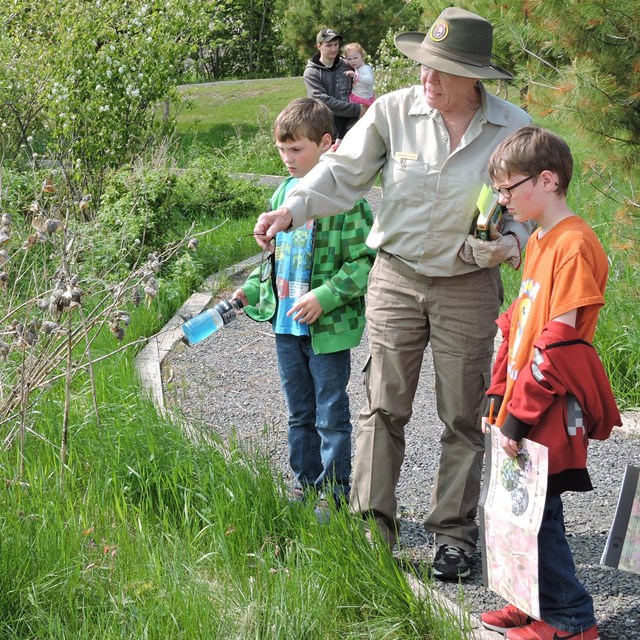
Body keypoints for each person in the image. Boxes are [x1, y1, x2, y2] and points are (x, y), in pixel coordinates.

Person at [253, 6, 533, 581]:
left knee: (461, 415)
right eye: (422, 64)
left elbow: (532, 208)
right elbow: (339, 174)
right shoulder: (393, 111)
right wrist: (291, 207)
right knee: (381, 407)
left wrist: (512, 241)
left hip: (468, 285)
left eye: (440, 68)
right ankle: (370, 529)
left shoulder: (514, 128)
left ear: (473, 75)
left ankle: (453, 536)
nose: (425, 77)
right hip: (396, 280)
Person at [479, 126, 621, 640]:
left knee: (541, 517)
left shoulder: (575, 244)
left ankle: (571, 622)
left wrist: (519, 413)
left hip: (548, 408)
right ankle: (529, 601)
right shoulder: (539, 239)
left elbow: (559, 344)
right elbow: (519, 323)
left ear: (548, 179)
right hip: (520, 397)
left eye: (508, 189)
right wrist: (498, 392)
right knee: (517, 510)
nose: (501, 200)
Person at [232, 98, 375, 511]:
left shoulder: (348, 201)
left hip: (326, 330)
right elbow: (276, 264)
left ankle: (333, 493)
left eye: (297, 150)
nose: (288, 159)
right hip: (286, 327)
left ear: (327, 144)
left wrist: (325, 297)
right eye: (282, 150)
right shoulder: (283, 193)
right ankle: (304, 484)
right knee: (299, 413)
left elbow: (368, 261)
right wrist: (251, 291)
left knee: (330, 414)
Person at [303, 28, 363, 146]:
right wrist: (357, 109)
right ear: (319, 46)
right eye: (329, 45)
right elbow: (323, 102)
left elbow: (364, 82)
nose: (334, 48)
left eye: (336, 44)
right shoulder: (312, 73)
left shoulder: (348, 65)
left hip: (355, 129)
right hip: (327, 135)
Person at [338, 42, 375, 149]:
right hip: (358, 97)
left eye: (355, 58)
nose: (352, 61)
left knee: (359, 123)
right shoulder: (357, 68)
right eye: (349, 59)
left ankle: (346, 142)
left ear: (362, 56)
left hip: (362, 100)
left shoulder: (365, 69)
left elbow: (369, 81)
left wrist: (356, 76)